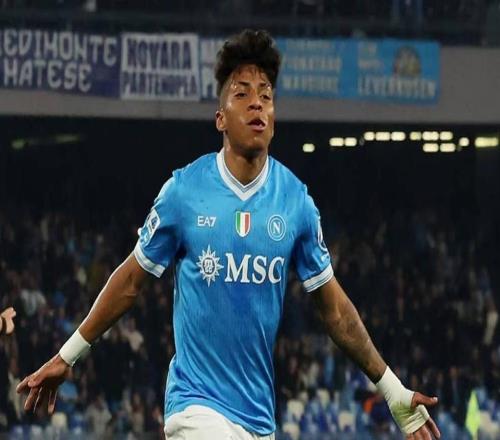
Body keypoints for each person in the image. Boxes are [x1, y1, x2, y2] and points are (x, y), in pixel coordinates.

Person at [17, 30, 441, 440]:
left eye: (266, 96)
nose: (256, 102)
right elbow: (130, 280)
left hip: (259, 419)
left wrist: (392, 390)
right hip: (195, 407)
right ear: (220, 118)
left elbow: (335, 312)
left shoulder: (295, 202)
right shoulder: (184, 192)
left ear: (273, 119)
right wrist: (67, 355)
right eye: (242, 94)